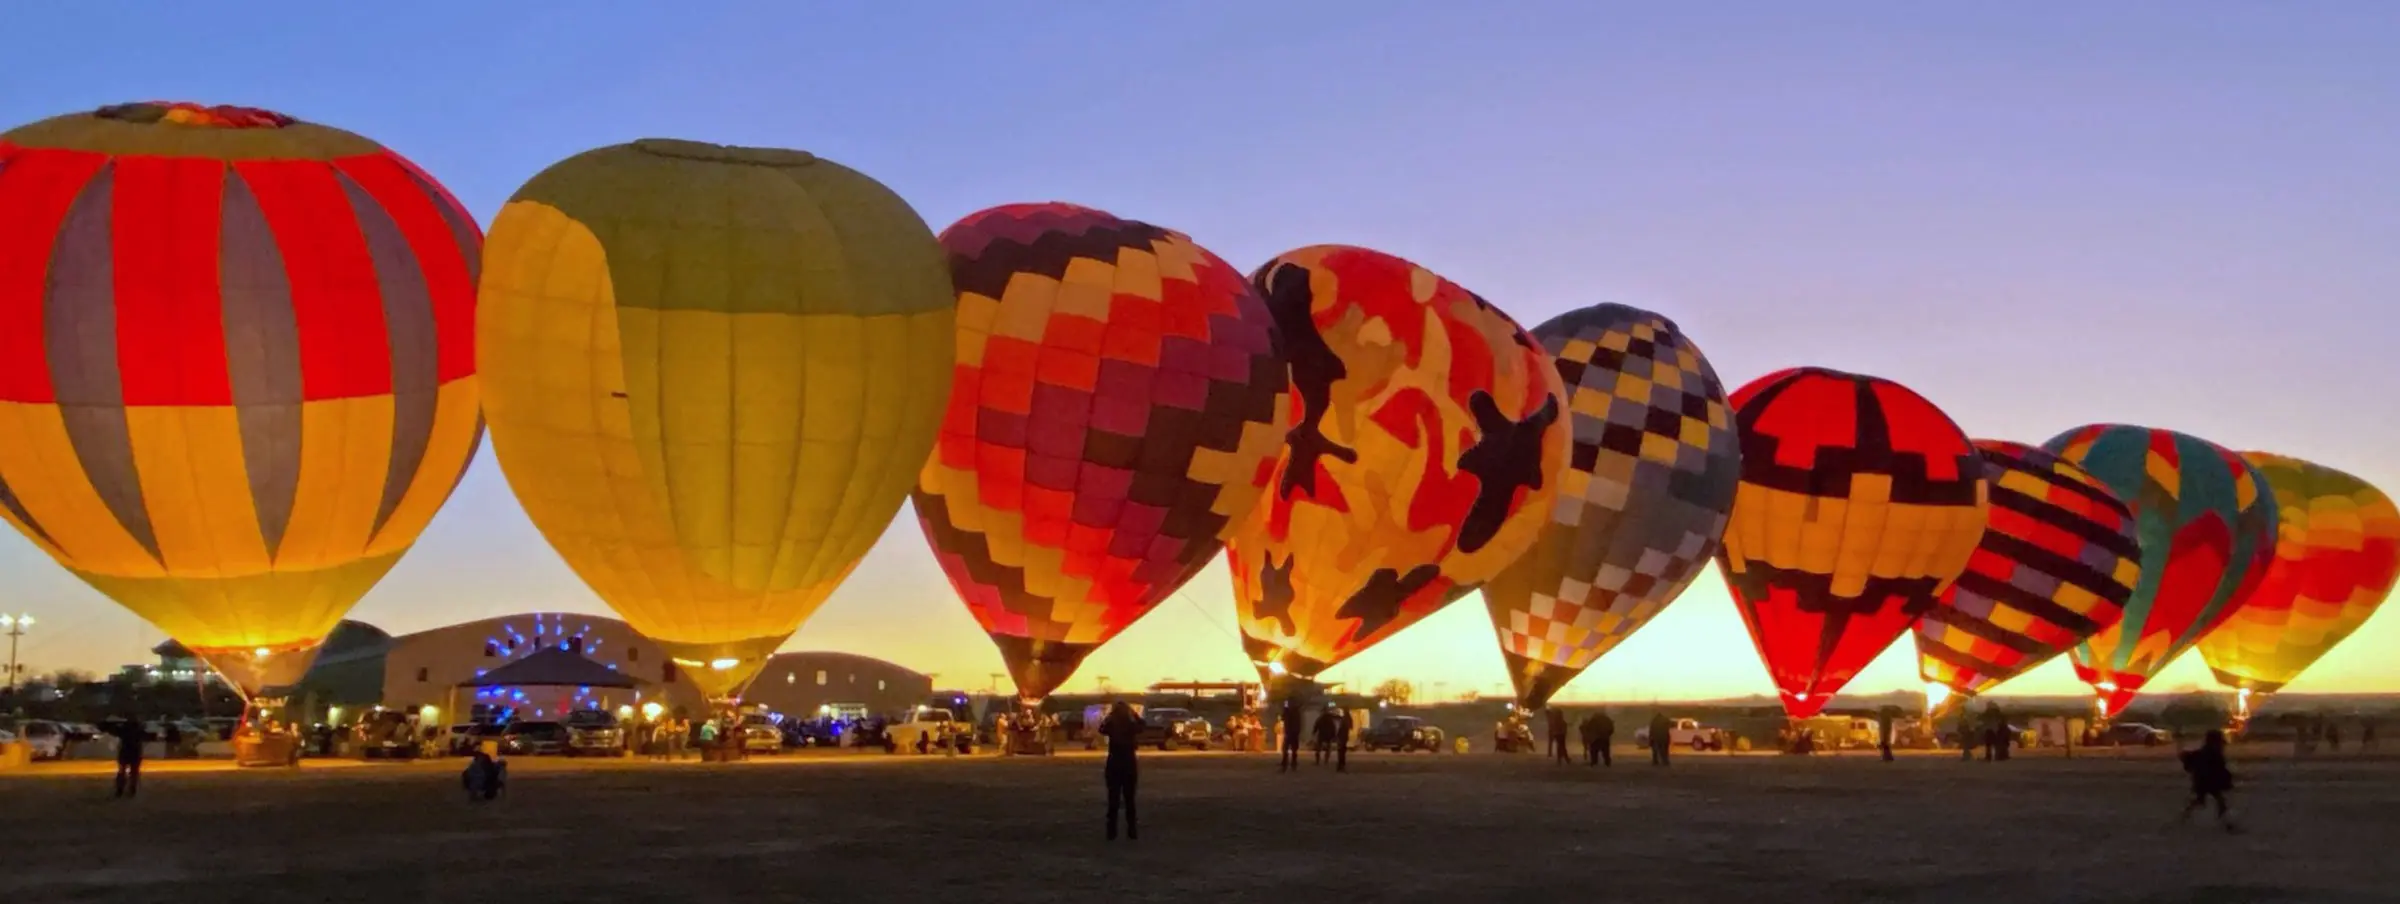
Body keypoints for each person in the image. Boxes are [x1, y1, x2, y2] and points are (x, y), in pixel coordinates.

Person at [1098, 701, 1143, 841]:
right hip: (1129, 763)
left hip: (1114, 762)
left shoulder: (1112, 725)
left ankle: (1111, 832)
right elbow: (1142, 725)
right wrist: (1134, 714)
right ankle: (1132, 831)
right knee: (1130, 800)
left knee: (1113, 800)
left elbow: (1101, 728)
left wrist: (1109, 716)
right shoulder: (1131, 725)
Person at [2178, 729, 2238, 832]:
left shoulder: (2206, 751)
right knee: (2217, 801)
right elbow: (2219, 768)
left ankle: (2183, 817)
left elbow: (2191, 761)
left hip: (2203, 781)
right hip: (2208, 782)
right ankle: (2227, 825)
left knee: (2202, 801)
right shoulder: (2212, 753)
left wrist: (2184, 755)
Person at [108, 716, 148, 799]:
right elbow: (145, 736)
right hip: (135, 753)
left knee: (122, 771)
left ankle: (120, 789)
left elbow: (114, 731)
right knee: (134, 772)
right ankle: (132, 789)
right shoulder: (139, 729)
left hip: (125, 752)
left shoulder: (124, 729)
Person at [1278, 699, 1304, 772]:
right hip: (1294, 733)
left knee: (1286, 749)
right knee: (1294, 750)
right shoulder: (1297, 712)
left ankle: (1285, 764)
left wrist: (1285, 708)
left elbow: (1283, 718)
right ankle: (1293, 764)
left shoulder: (1289, 712)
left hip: (1290, 733)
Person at [1333, 707, 1352, 772]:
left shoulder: (1345, 719)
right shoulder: (1347, 719)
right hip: (1344, 737)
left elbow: (1342, 728)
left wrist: (1338, 735)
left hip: (1342, 737)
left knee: (1341, 751)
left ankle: (1340, 765)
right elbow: (1350, 726)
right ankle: (1341, 765)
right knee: (1342, 751)